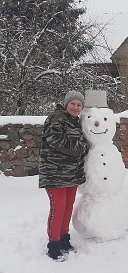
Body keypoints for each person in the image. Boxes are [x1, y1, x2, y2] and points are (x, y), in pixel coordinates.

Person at [39, 90, 89, 262]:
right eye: (73, 104)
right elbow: (57, 141)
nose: (75, 107)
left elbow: (85, 142)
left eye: (79, 105)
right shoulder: (56, 118)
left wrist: (83, 147)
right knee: (58, 207)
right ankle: (53, 244)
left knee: (68, 206)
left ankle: (63, 238)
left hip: (71, 173)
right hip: (54, 172)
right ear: (66, 104)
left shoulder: (76, 121)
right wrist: (81, 149)